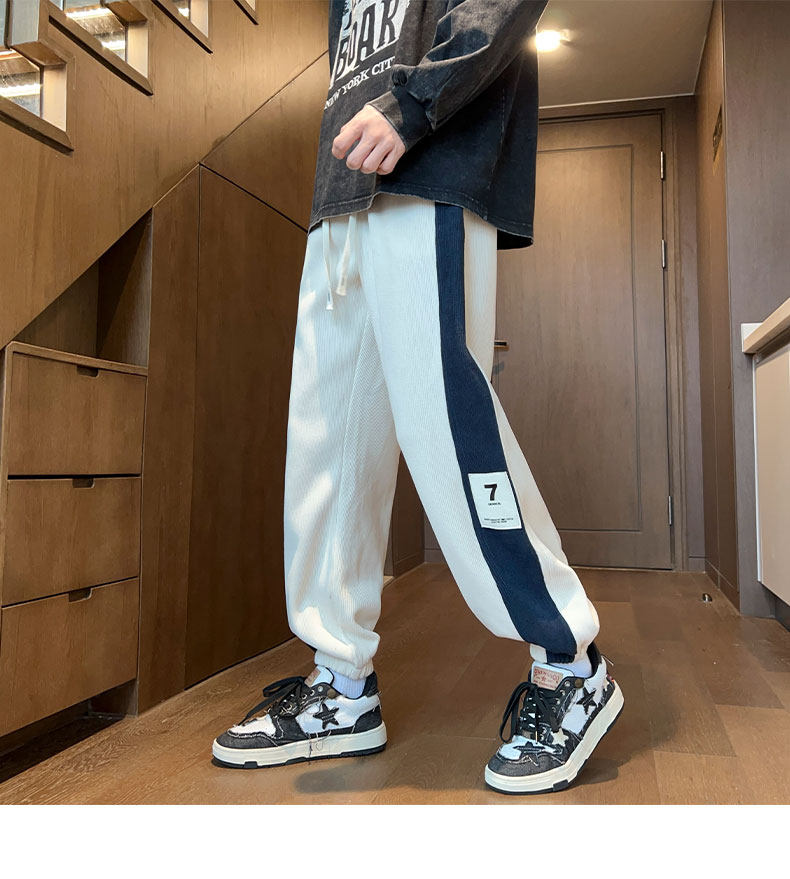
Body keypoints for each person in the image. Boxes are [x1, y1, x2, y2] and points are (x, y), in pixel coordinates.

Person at [212, 0, 623, 795]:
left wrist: (414, 104)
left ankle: (571, 661)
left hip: (430, 161)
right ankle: (342, 683)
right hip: (341, 194)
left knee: (447, 425)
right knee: (328, 443)